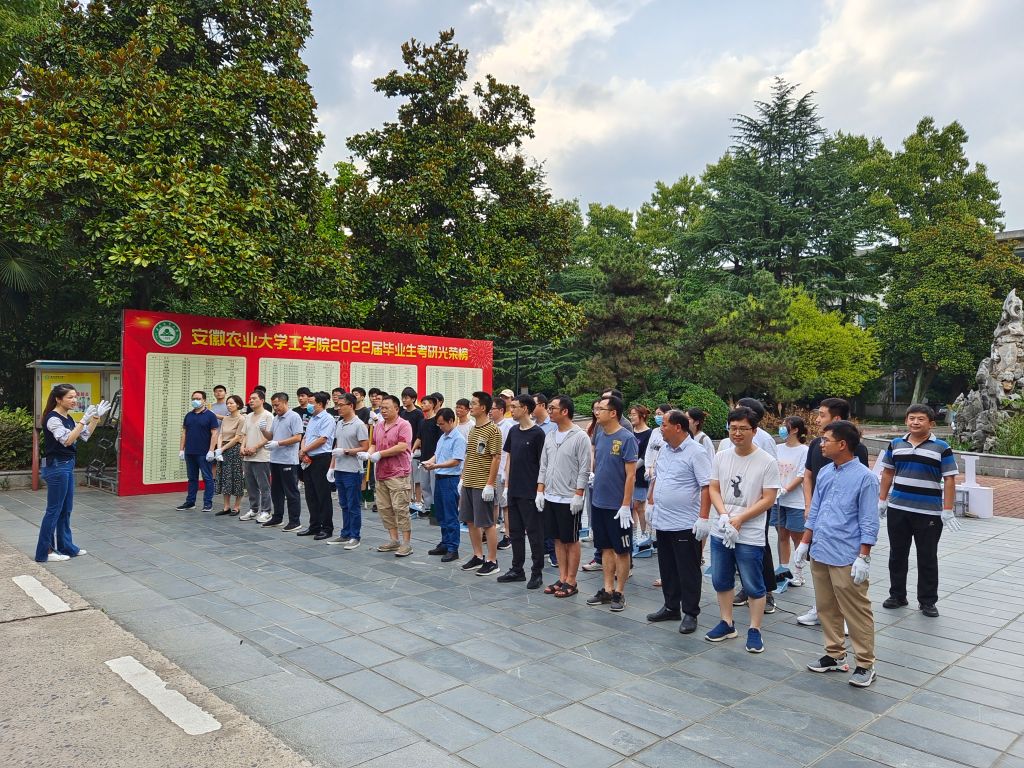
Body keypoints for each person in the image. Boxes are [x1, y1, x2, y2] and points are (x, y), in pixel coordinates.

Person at [794, 420, 879, 687]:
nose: (821, 444)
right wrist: (805, 542)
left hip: (846, 554)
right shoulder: (826, 472)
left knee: (856, 610)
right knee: (826, 607)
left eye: (826, 440)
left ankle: (865, 664)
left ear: (842, 444)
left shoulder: (865, 478)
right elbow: (816, 509)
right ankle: (835, 654)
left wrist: (864, 556)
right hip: (821, 549)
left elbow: (869, 520)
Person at [705, 406, 780, 653]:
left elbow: (768, 498)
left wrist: (741, 518)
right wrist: (723, 514)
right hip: (722, 528)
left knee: (752, 582)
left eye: (743, 429)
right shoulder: (722, 456)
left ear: (754, 431)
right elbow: (713, 487)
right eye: (733, 428)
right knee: (721, 578)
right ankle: (727, 622)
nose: (737, 433)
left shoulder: (767, 461)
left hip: (750, 532)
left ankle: (755, 629)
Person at [879, 404, 959, 618]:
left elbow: (949, 479)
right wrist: (882, 500)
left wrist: (948, 509)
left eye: (920, 419)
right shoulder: (896, 444)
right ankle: (897, 595)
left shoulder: (941, 447)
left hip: (928, 512)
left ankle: (927, 601)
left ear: (931, 423)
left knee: (927, 557)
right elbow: (887, 473)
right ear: (906, 420)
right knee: (897, 554)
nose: (915, 422)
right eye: (911, 418)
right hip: (898, 509)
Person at [797, 397, 870, 627]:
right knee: (820, 571)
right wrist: (808, 505)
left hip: (844, 525)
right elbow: (808, 475)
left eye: (822, 415)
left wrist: (864, 554)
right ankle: (821, 608)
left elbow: (860, 496)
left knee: (845, 576)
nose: (817, 419)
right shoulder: (816, 446)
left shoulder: (858, 451)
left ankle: (845, 614)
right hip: (820, 515)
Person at [646, 409, 712, 633]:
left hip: (685, 523)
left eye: (664, 424)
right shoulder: (664, 449)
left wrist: (704, 518)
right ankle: (671, 606)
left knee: (688, 570)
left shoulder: (697, 452)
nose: (660, 428)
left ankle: (691, 612)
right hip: (663, 519)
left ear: (677, 427)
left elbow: (706, 486)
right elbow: (657, 477)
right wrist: (651, 502)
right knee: (667, 567)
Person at [36, 385, 109, 562]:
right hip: (57, 467)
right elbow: (67, 440)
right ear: (58, 399)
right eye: (70, 397)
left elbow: (85, 435)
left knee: (66, 509)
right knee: (54, 510)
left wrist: (95, 417)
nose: (74, 400)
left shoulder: (67, 417)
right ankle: (45, 552)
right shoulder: (53, 419)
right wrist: (83, 419)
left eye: (75, 396)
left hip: (67, 465)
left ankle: (66, 547)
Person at [720, 397, 779, 615]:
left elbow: (771, 472)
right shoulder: (729, 440)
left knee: (760, 548)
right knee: (735, 546)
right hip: (733, 505)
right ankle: (746, 586)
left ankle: (767, 591)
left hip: (757, 504)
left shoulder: (764, 439)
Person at [585, 395, 638, 613]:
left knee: (621, 550)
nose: (596, 412)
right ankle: (607, 589)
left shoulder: (626, 438)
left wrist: (625, 505)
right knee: (605, 547)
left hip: (618, 507)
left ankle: (619, 592)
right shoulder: (599, 433)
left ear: (613, 413)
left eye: (601, 409)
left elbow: (631, 475)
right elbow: (599, 462)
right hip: (599, 502)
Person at [537, 395, 590, 597]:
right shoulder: (550, 436)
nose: (549, 411)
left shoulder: (580, 436)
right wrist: (540, 490)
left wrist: (578, 493)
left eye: (553, 408)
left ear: (565, 411)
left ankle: (572, 580)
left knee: (571, 539)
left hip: (569, 497)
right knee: (557, 539)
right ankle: (562, 577)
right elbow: (544, 465)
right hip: (551, 495)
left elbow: (584, 468)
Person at [497, 395, 547, 589]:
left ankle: (537, 572)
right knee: (515, 532)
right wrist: (506, 485)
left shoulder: (538, 434)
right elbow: (509, 458)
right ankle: (517, 569)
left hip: (530, 491)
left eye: (514, 407)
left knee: (534, 533)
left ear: (525, 409)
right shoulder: (514, 431)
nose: (511, 410)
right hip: (514, 489)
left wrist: (540, 490)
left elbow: (543, 464)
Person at [361, 394, 415, 556]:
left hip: (398, 472)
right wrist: (369, 453)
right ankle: (393, 540)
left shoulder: (404, 425)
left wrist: (381, 454)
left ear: (396, 409)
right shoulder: (379, 425)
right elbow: (374, 444)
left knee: (400, 508)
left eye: (386, 408)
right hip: (381, 472)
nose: (383, 411)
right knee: (384, 508)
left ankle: (406, 543)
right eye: (381, 408)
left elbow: (402, 446)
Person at [458, 391, 503, 576]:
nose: (471, 406)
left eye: (474, 403)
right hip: (469, 481)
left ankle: (492, 560)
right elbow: (469, 455)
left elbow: (496, 458)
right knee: (470, 520)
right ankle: (478, 556)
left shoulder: (493, 430)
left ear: (483, 407)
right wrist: (462, 478)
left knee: (487, 523)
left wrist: (490, 484)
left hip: (482, 483)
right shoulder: (473, 429)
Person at [423, 408, 466, 562]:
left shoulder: (458, 438)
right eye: (438, 424)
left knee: (450, 515)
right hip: (440, 477)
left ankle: (453, 548)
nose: (440, 427)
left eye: (442, 424)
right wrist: (430, 461)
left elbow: (456, 461)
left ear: (450, 421)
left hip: (450, 479)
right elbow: (437, 454)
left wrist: (436, 466)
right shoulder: (443, 436)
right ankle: (445, 543)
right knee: (441, 513)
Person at [327, 393, 369, 548]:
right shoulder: (339, 423)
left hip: (352, 471)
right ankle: (345, 533)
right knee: (343, 504)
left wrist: (346, 451)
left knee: (353, 505)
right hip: (339, 468)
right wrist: (332, 467)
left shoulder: (359, 425)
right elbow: (337, 446)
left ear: (351, 405)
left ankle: (355, 536)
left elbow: (365, 447)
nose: (338, 408)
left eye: (341, 405)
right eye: (337, 405)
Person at [773, 415, 809, 585]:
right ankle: (783, 570)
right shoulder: (777, 448)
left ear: (795, 430)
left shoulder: (804, 450)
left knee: (797, 537)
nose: (781, 428)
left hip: (796, 501)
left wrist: (786, 489)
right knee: (781, 535)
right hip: (777, 501)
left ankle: (798, 573)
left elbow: (802, 475)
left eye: (785, 425)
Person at [297, 392, 335, 540]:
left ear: (319, 404)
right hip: (308, 458)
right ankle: (314, 526)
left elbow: (322, 439)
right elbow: (305, 436)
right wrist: (303, 450)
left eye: (311, 402)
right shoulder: (312, 418)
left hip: (321, 459)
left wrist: (305, 450)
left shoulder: (327, 418)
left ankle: (327, 528)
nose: (309, 405)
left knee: (322, 495)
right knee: (310, 494)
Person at [265, 393, 304, 531]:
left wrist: (278, 443)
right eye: (273, 406)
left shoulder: (294, 417)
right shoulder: (276, 418)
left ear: (285, 402)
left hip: (288, 460)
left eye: (277, 405)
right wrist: (263, 430)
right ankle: (277, 517)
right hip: (275, 459)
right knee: (276, 491)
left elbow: (298, 437)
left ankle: (295, 521)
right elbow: (271, 436)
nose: (275, 408)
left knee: (291, 491)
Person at [176, 390, 219, 513]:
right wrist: (181, 449)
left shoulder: (210, 415)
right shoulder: (188, 415)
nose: (196, 401)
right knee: (192, 478)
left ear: (204, 400)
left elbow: (214, 433)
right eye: (194, 398)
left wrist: (211, 450)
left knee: (207, 478)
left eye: (199, 398)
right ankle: (190, 502)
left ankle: (208, 503)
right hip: (190, 452)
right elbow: (184, 433)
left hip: (204, 453)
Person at [240, 391, 273, 522]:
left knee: (264, 486)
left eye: (254, 398)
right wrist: (242, 447)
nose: (251, 401)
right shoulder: (248, 416)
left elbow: (269, 436)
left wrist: (256, 447)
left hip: (262, 456)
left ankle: (266, 511)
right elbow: (244, 434)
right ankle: (253, 510)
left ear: (262, 400)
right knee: (250, 485)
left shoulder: (268, 416)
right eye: (250, 399)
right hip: (247, 456)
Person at [214, 395, 246, 515]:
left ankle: (237, 507)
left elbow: (237, 437)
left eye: (231, 403)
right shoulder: (226, 419)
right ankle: (226, 506)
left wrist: (222, 449)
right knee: (224, 477)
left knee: (236, 477)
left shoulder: (242, 419)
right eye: (227, 403)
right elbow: (221, 434)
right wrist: (219, 448)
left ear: (238, 404)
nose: (229, 405)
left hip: (235, 449)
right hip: (223, 449)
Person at [411, 395, 441, 517]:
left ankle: (435, 509)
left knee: (434, 485)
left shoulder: (437, 422)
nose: (422, 405)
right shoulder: (422, 422)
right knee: (425, 485)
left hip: (434, 459)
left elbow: (441, 441)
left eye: (425, 403)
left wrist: (437, 457)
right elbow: (419, 438)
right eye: (422, 403)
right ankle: (427, 508)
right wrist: (412, 450)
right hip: (423, 458)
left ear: (432, 405)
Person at [629, 404, 654, 543]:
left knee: (639, 505)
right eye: (630, 414)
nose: (631, 417)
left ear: (642, 416)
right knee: (631, 505)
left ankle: (644, 534)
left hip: (639, 474)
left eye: (634, 414)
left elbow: (645, 456)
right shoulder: (629, 431)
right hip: (627, 473)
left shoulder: (649, 433)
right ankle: (632, 535)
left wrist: (632, 468)